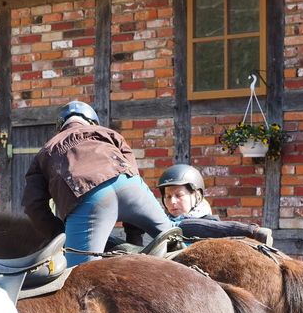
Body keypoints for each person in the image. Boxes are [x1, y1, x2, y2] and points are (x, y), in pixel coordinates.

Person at [22, 101, 271, 266]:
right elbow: (133, 172)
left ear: (59, 127)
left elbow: (33, 205)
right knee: (176, 231)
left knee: (78, 275)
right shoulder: (110, 134)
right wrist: (135, 233)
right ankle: (249, 232)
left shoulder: (46, 150)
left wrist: (59, 234)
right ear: (92, 123)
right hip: (130, 188)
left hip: (89, 200)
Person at [155, 164, 273, 245]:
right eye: (168, 196)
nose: (172, 202)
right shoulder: (160, 224)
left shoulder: (212, 226)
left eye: (179, 195)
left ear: (197, 196)